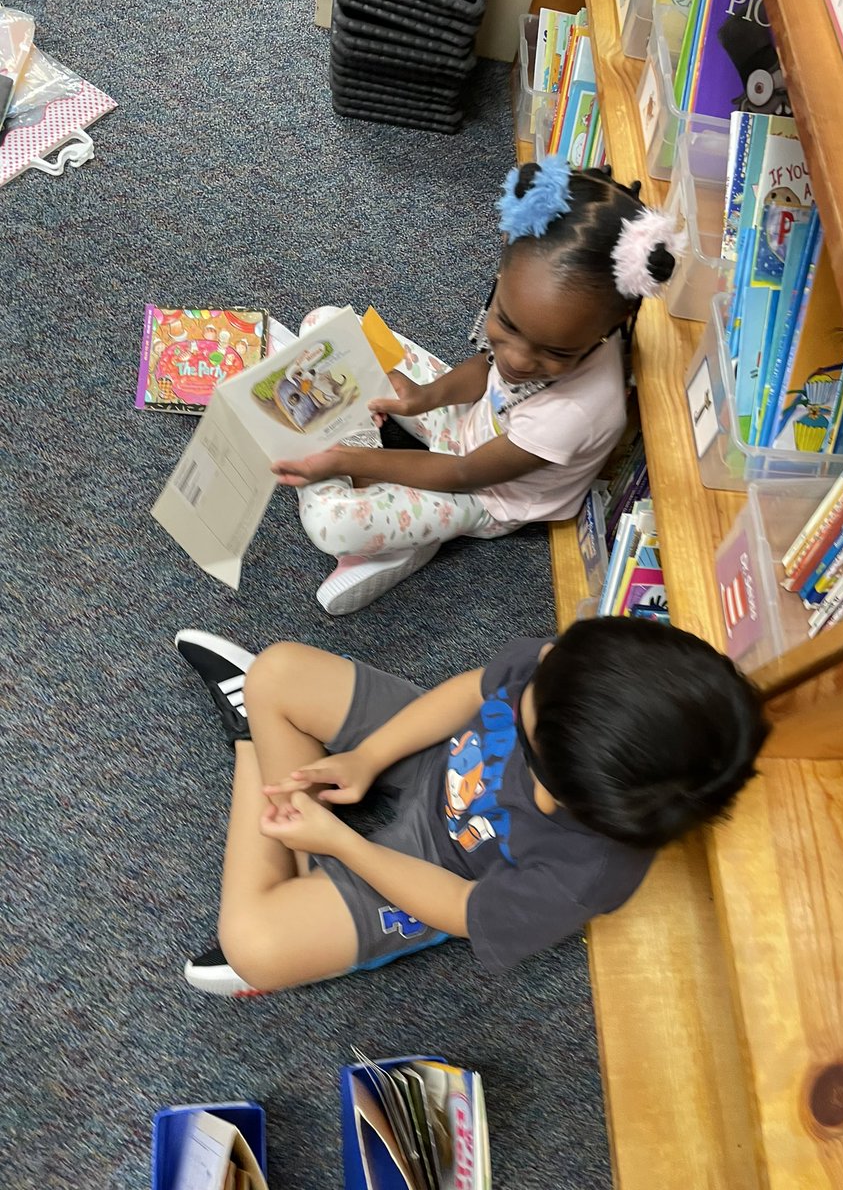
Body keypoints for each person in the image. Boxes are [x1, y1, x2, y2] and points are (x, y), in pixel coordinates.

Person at [174, 617, 769, 997]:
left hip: (440, 867)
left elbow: (460, 909)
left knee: (255, 947)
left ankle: (250, 744)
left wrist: (343, 844)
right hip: (435, 754)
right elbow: (473, 691)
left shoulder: (588, 876)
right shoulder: (565, 673)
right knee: (276, 672)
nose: (536, 664)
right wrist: (370, 756)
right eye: (545, 664)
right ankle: (302, 879)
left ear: (554, 798)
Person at [271, 156, 685, 615]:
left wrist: (346, 459)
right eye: (507, 324)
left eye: (554, 352)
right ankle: (355, 456)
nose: (517, 360)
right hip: (473, 423)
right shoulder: (537, 307)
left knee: (331, 524)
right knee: (328, 324)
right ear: (504, 265)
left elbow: (464, 474)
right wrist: (425, 397)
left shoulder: (578, 413)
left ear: (613, 324)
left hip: (485, 495)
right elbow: (489, 367)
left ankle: (397, 540)